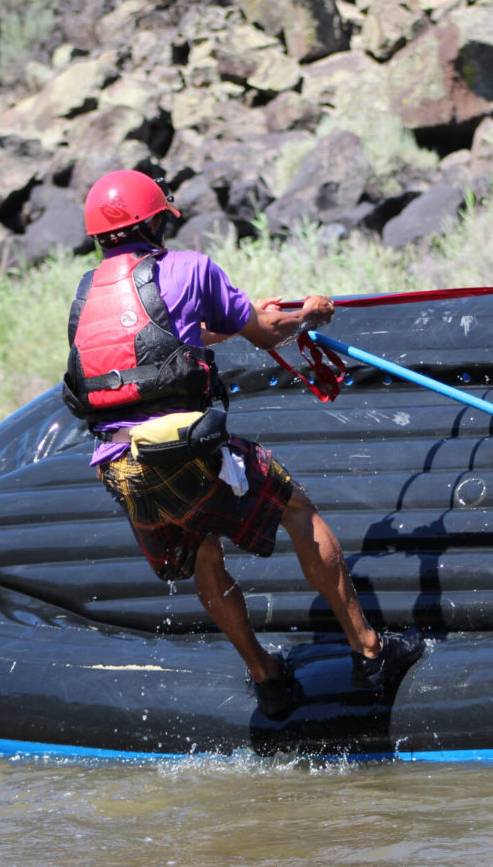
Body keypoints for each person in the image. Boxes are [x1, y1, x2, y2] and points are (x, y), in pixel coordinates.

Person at [63, 168, 423, 720]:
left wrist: (236, 322)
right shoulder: (189, 267)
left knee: (205, 548)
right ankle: (370, 652)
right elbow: (266, 332)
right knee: (295, 505)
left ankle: (268, 680)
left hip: (121, 464)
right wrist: (307, 316)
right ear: (157, 221)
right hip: (188, 449)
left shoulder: (87, 296)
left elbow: (162, 342)